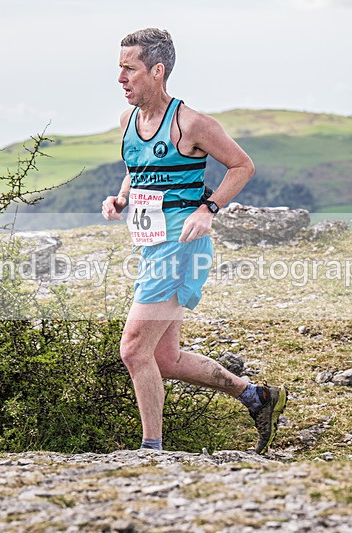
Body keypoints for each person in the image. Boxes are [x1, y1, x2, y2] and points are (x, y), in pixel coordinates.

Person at [102, 28, 287, 454]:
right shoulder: (127, 121)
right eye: (120, 69)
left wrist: (209, 208)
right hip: (151, 244)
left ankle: (151, 451)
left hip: (181, 246)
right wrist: (121, 197)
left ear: (157, 71)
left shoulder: (193, 124)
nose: (121, 78)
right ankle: (256, 396)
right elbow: (139, 167)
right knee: (165, 359)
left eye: (129, 69)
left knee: (133, 350)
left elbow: (242, 166)